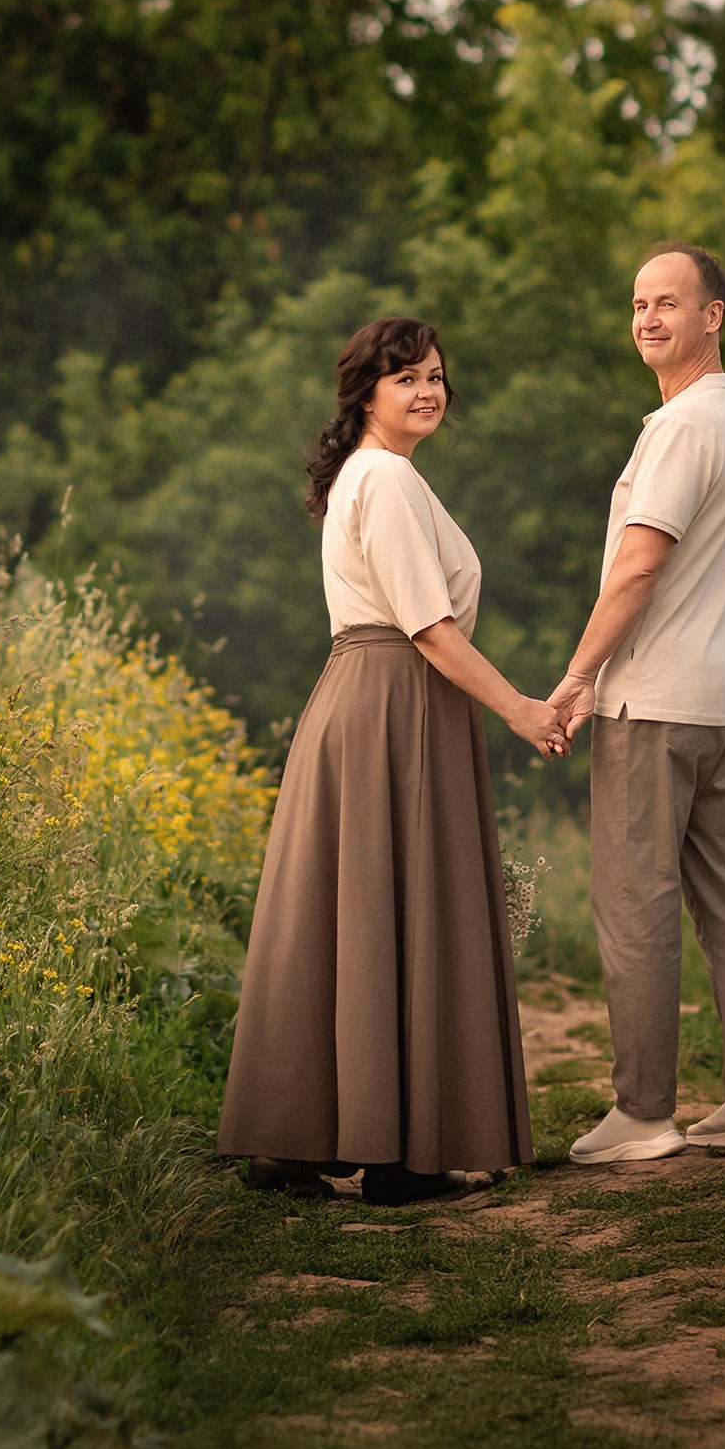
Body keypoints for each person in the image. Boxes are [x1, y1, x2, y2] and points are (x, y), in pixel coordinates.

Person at [219, 316, 564, 1206]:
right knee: (391, 909)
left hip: (365, 699)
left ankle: (301, 1144)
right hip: (395, 703)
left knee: (348, 915)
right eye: (406, 377)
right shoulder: (387, 480)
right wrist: (523, 710)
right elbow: (430, 630)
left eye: (438, 376)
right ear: (365, 392)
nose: (428, 391)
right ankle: (401, 1157)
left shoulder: (365, 477)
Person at [549, 245, 725, 1164]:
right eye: (639, 304)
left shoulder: (684, 427)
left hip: (652, 704)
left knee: (635, 903)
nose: (649, 319)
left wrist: (576, 680)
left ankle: (645, 1115)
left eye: (670, 303)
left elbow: (639, 563)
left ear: (713, 316)